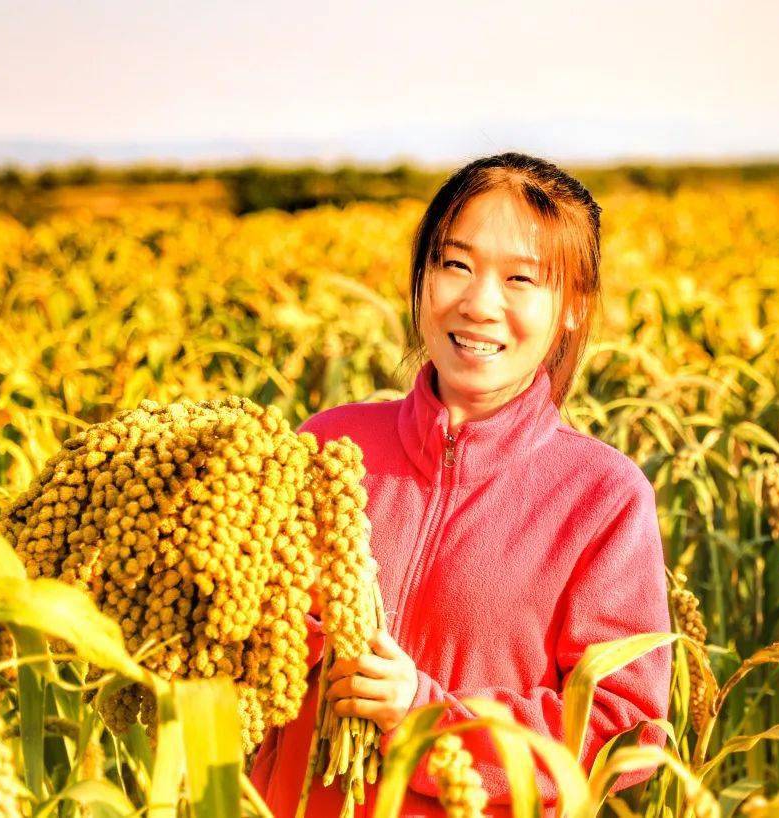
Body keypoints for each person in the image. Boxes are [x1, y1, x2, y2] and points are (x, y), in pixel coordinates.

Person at [249, 152, 672, 817]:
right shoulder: (327, 447)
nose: (479, 304)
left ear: (572, 307)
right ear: (421, 276)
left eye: (522, 278)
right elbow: (250, 640)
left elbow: (624, 731)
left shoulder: (601, 497)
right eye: (456, 265)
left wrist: (420, 716)